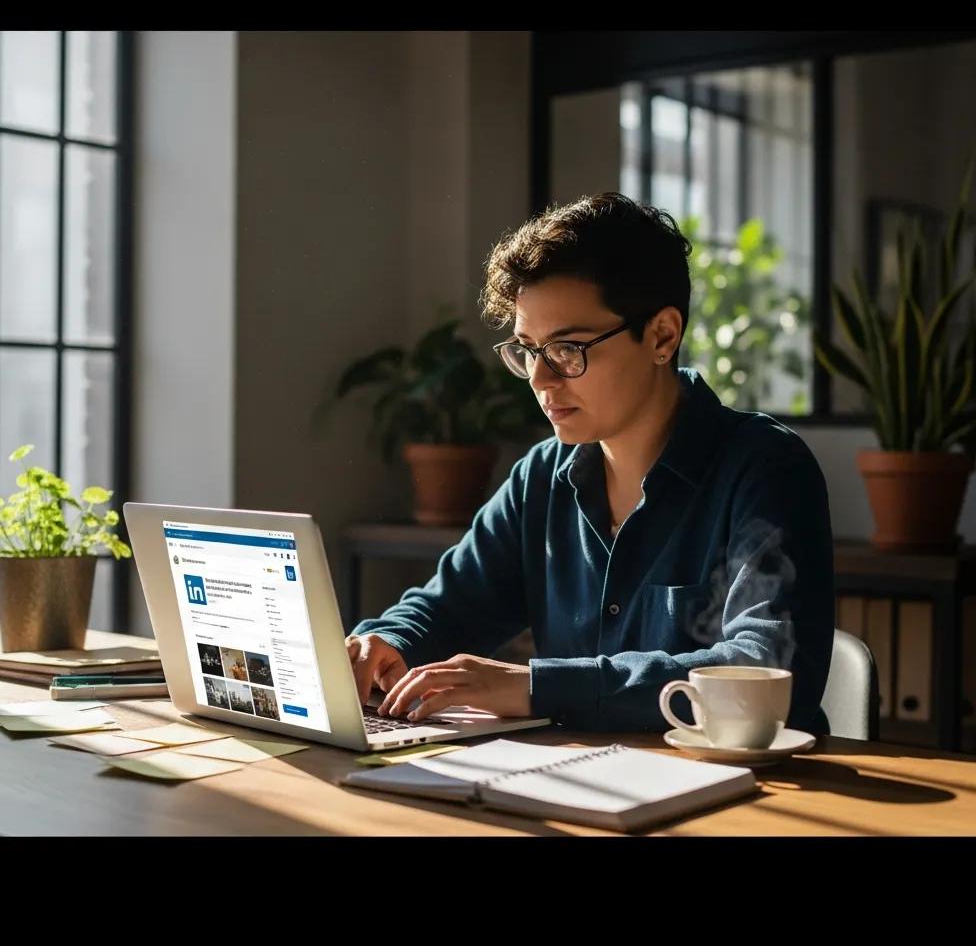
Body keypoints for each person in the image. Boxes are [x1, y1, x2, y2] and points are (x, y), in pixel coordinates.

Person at [345, 193, 834, 734]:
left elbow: (768, 668)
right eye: (528, 349)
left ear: (662, 336)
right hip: (583, 787)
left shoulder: (764, 468)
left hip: (750, 798)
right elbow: (449, 607)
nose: (540, 378)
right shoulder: (542, 478)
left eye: (567, 349)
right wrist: (387, 642)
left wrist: (537, 687)